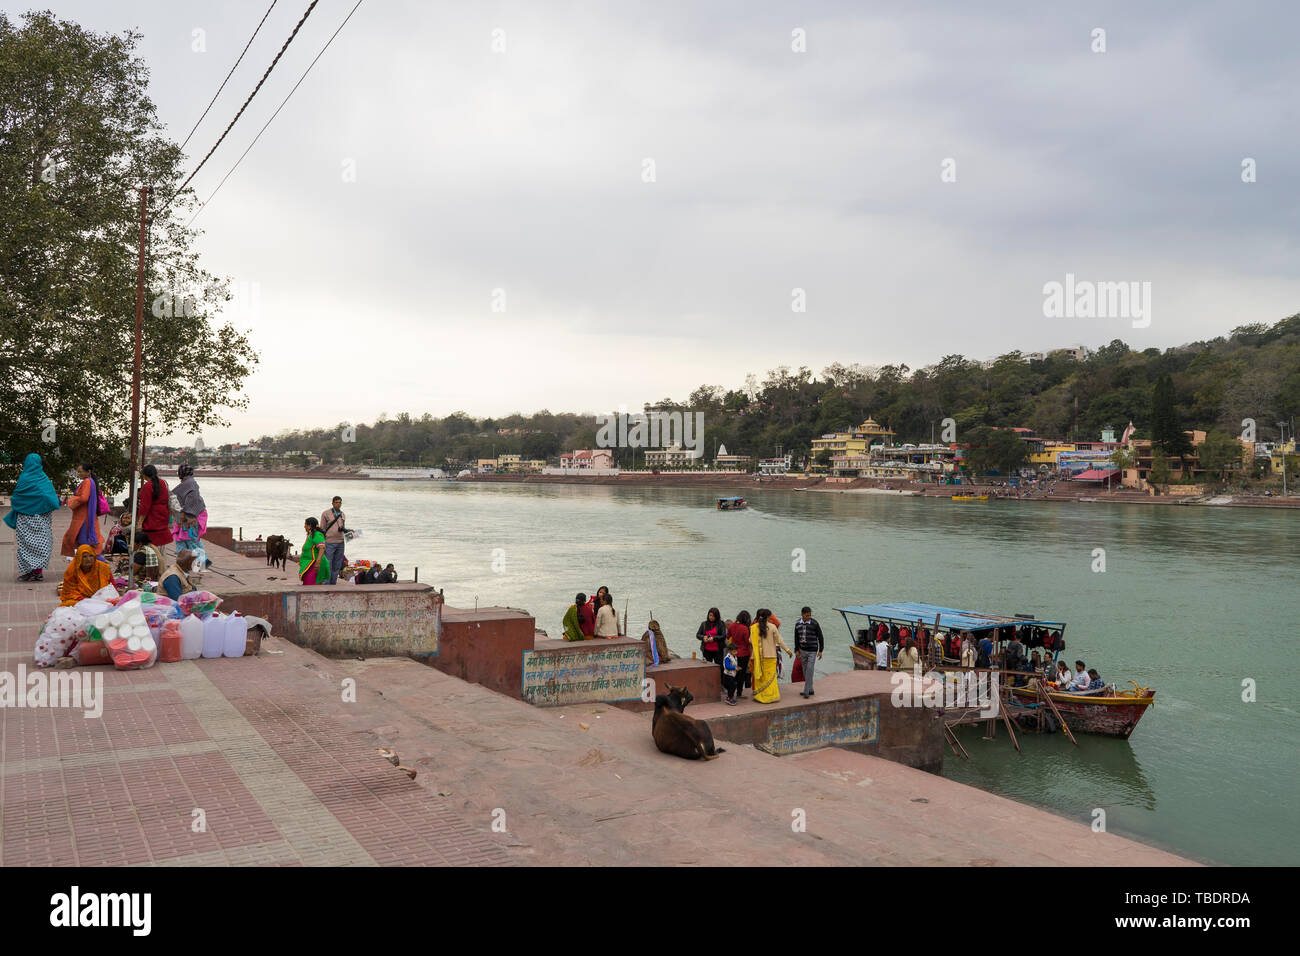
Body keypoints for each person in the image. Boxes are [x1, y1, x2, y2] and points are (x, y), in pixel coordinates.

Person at [5, 452, 60, 582]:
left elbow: (16, 498)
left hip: (25, 518)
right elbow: (50, 498)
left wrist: (26, 505)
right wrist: (41, 506)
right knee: (41, 544)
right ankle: (37, 573)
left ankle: (30, 572)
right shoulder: (44, 478)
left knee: (26, 545)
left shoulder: (24, 478)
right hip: (41, 519)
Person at [750, 608, 792, 704]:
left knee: (761, 678)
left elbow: (750, 641)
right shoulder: (772, 627)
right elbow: (779, 641)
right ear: (768, 617)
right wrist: (788, 650)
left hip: (758, 657)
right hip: (771, 656)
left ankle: (760, 696)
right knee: (770, 678)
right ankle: (770, 697)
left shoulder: (754, 627)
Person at [60, 462, 102, 557]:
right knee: (83, 544)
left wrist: (72, 499)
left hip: (83, 518)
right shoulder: (90, 481)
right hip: (84, 516)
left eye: (80, 472)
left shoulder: (87, 481)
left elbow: (84, 498)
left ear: (88, 472)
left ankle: (102, 565)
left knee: (84, 545)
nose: (79, 474)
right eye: (78, 472)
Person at [170, 464, 207, 552]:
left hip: (192, 517)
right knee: (183, 540)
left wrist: (185, 513)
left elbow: (192, 500)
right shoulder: (189, 482)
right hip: (188, 517)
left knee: (191, 541)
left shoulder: (189, 483)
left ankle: (199, 563)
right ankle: (183, 562)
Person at [136, 464, 171, 547]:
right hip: (163, 516)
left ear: (144, 475)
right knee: (161, 547)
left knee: (151, 547)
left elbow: (145, 507)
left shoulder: (147, 486)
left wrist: (140, 523)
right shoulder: (163, 483)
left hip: (152, 519)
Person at [793, 606, 824, 698]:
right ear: (802, 614)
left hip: (813, 651)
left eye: (810, 615)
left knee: (809, 670)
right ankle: (811, 689)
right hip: (802, 650)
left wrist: (820, 650)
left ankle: (806, 692)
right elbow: (796, 638)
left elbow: (820, 637)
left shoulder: (815, 623)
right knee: (805, 670)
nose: (809, 617)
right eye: (807, 615)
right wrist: (796, 650)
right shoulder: (797, 624)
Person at [319, 496, 348, 585]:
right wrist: (322, 542)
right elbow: (322, 528)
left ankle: (333, 583)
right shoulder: (326, 514)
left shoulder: (342, 514)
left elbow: (342, 527)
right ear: (332, 503)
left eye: (340, 502)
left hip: (340, 542)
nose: (338, 504)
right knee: (328, 563)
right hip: (329, 542)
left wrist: (347, 531)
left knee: (337, 564)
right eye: (336, 502)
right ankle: (326, 582)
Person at [727, 611, 752, 697]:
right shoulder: (745, 628)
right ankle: (739, 693)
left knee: (733, 673)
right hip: (743, 654)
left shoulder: (732, 625)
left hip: (734, 653)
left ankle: (731, 692)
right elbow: (747, 642)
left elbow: (728, 636)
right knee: (741, 674)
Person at [299, 516, 330, 585]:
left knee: (311, 585)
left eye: (305, 525)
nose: (304, 527)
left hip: (315, 564)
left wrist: (318, 563)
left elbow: (322, 548)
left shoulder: (317, 534)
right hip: (310, 564)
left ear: (309, 526)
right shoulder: (310, 535)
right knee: (308, 585)